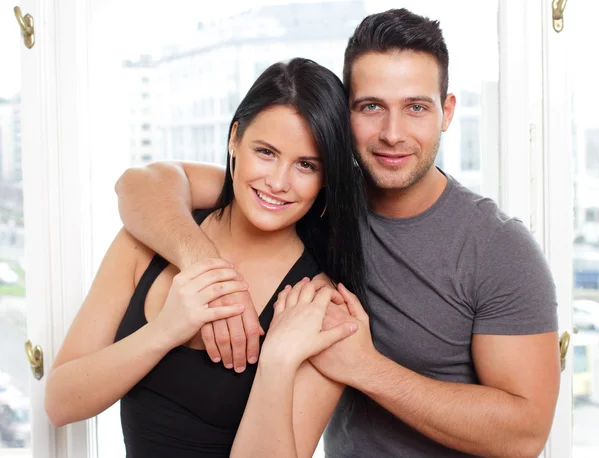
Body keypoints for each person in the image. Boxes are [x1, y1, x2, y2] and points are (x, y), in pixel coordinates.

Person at [115, 8, 561, 458]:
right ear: (343, 117)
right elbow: (143, 185)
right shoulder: (307, 194)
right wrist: (207, 269)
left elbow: (524, 435)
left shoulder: (498, 248)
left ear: (446, 113)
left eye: (416, 108)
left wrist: (368, 369)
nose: (392, 133)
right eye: (371, 107)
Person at [45, 58, 370, 458]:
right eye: (266, 152)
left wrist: (278, 363)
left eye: (306, 165)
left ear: (325, 178)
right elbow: (60, 404)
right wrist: (166, 330)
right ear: (235, 139)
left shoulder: (320, 306)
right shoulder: (149, 240)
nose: (278, 182)